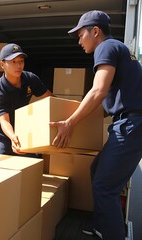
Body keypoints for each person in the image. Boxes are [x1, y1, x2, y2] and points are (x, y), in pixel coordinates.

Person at [50, 10, 142, 240]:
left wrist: (70, 122)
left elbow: (99, 90)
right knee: (96, 170)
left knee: (105, 187)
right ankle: (103, 228)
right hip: (130, 123)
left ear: (96, 31)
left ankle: (111, 235)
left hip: (131, 124)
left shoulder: (106, 47)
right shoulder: (119, 49)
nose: (80, 41)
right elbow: (108, 97)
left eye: (81, 35)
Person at [0, 43, 53, 155]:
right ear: (2, 64)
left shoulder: (30, 79)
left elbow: (50, 99)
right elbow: (4, 121)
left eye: (21, 61)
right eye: (13, 62)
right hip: (3, 135)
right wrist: (13, 138)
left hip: (24, 129)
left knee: (32, 165)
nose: (19, 66)